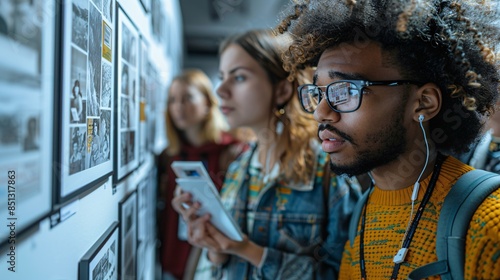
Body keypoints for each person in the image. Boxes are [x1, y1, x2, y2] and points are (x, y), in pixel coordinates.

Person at [278, 0, 500, 278]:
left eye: (345, 90)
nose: (321, 113)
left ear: (424, 103)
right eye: (319, 92)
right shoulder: (362, 213)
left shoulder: (488, 222)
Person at [172, 29, 361, 279]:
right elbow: (222, 264)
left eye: (238, 78)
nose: (220, 91)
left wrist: (249, 250)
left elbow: (344, 273)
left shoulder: (329, 166)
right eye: (222, 77)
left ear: (282, 90)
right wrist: (214, 247)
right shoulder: (240, 166)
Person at [157, 69, 246, 280]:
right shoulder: (169, 156)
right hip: (173, 260)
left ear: (207, 103)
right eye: (172, 100)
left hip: (217, 260)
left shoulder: (232, 151)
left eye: (187, 98)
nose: (178, 107)